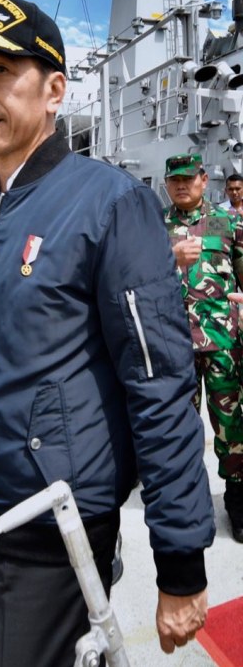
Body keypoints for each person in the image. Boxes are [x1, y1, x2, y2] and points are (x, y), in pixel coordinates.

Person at [0, 0, 214, 665]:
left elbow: (160, 383)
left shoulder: (111, 204)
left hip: (56, 524)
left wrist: (181, 563)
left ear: (54, 91)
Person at [163, 153, 243, 542]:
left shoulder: (229, 223)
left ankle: (237, 498)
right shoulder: (153, 227)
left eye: (188, 178)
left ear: (203, 179)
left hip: (224, 344)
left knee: (232, 426)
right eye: (174, 179)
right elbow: (136, 278)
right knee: (178, 424)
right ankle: (186, 499)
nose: (181, 185)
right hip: (174, 344)